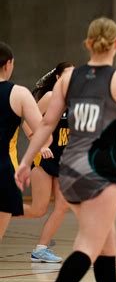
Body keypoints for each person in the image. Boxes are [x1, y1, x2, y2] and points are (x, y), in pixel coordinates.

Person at [15, 17, 116, 282]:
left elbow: (45, 124)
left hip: (69, 170)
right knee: (88, 245)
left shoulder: (68, 79)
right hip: (100, 169)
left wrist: (26, 161)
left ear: (87, 44)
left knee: (107, 245)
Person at [21, 62, 74, 263]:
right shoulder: (51, 97)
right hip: (43, 159)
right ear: (59, 77)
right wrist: (40, 144)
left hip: (62, 161)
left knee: (63, 205)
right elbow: (26, 122)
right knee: (38, 209)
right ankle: (5, 210)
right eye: (68, 74)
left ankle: (41, 249)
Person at [0, 41, 43, 241]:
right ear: (8, 64)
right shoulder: (19, 94)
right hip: (2, 170)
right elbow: (45, 133)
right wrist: (26, 162)